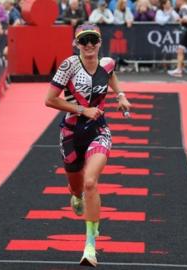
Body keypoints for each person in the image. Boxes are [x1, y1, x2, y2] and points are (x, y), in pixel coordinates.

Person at [44, 23, 131, 267]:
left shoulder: (107, 63)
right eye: (84, 41)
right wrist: (83, 109)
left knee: (91, 182)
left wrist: (121, 96)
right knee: (76, 188)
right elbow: (49, 100)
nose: (89, 45)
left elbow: (111, 77)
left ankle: (90, 246)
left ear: (100, 42)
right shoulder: (68, 66)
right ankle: (76, 196)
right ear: (76, 44)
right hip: (71, 133)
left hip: (98, 130)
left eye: (93, 39)